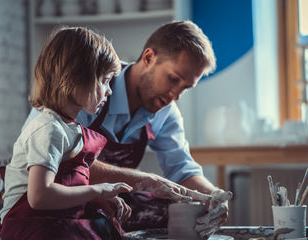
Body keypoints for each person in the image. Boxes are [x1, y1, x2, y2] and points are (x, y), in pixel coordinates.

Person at [22, 21, 232, 238]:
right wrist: (146, 181)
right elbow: (59, 161)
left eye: (185, 88)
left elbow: (182, 169)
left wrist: (211, 197)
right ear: (149, 58)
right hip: (49, 194)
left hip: (103, 195)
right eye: (173, 79)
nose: (175, 95)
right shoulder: (89, 86)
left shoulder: (165, 111)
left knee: (173, 210)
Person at [0, 26, 133, 240]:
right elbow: (40, 197)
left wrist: (97, 199)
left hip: (55, 222)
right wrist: (97, 190)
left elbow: (66, 186)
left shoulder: (68, 128)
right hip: (29, 228)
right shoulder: (48, 128)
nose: (110, 91)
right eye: (105, 81)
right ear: (76, 79)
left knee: (106, 226)